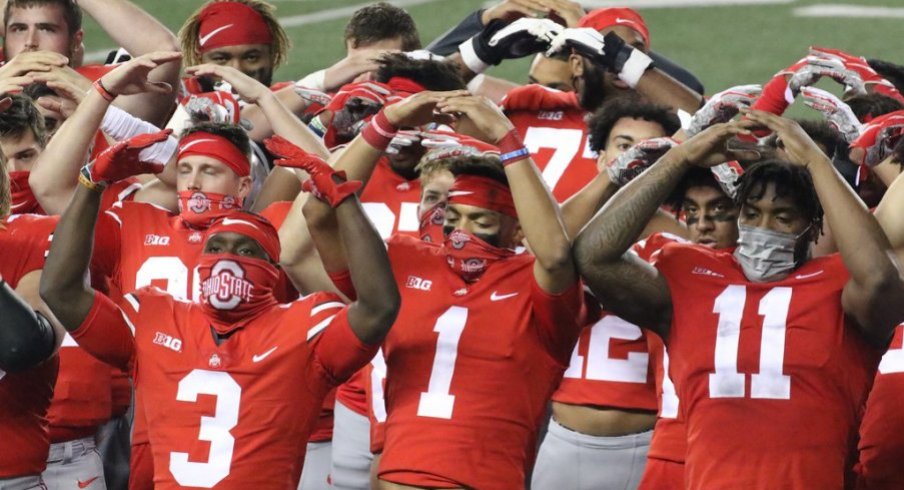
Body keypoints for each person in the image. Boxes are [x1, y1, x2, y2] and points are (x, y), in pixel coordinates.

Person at [39, 130, 399, 488]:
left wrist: (343, 200)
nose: (228, 259)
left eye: (245, 251)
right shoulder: (154, 317)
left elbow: (379, 307)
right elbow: (60, 291)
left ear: (275, 270)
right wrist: (91, 183)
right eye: (216, 249)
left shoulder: (305, 327)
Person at [573, 109, 904, 488]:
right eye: (752, 213)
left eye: (783, 217)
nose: (764, 228)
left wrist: (816, 162)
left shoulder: (842, 287)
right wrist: (680, 158)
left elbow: (881, 277)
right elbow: (593, 254)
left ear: (813, 228)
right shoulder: (691, 276)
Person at [303, 91, 583, 489]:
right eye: (453, 216)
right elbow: (320, 212)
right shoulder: (407, 261)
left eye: (479, 219)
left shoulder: (535, 283)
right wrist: (386, 121)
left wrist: (506, 137)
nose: (460, 231)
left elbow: (555, 255)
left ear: (518, 228)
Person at [530, 97, 681, 489]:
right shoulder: (565, 225)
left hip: (649, 435)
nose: (637, 156)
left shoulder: (685, 236)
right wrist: (610, 179)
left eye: (652, 148)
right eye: (624, 145)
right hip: (563, 428)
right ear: (600, 155)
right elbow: (545, 252)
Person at [178, 0, 290, 91]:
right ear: (200, 58)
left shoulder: (296, 102)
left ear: (272, 55)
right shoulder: (174, 102)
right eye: (221, 59)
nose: (237, 70)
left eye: (251, 58)